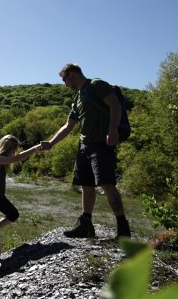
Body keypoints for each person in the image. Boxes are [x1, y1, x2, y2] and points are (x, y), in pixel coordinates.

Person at [40, 63, 131, 239]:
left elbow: (115, 105)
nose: (64, 84)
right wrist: (51, 143)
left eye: (64, 79)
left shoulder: (96, 85)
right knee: (86, 185)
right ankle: (85, 224)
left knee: (107, 184)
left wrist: (112, 130)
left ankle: (123, 228)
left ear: (72, 74)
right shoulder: (77, 98)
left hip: (101, 144)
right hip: (84, 146)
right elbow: (68, 126)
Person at [0, 135, 42, 267]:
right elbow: (17, 158)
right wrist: (35, 148)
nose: (15, 152)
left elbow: (15, 158)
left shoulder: (0, 158)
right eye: (14, 149)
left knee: (13, 214)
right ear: (9, 148)